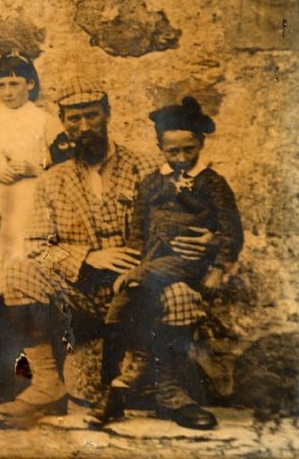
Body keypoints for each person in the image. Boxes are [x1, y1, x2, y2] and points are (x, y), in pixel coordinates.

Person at [0, 78, 217, 430]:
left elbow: (183, 220)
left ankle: (168, 388)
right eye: (74, 119)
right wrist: (85, 257)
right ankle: (47, 384)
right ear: (63, 123)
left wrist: (207, 238)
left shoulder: (147, 170)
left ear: (108, 114)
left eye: (92, 116)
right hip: (79, 297)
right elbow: (37, 247)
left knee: (181, 294)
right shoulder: (54, 179)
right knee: (17, 273)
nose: (84, 127)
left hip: (139, 291)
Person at [89, 96, 243, 428]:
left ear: (201, 143)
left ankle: (131, 388)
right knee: (127, 297)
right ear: (160, 147)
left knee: (142, 283)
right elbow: (137, 232)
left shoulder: (212, 183)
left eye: (189, 150)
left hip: (188, 264)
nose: (182, 158)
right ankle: (119, 384)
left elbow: (232, 230)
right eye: (172, 152)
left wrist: (217, 267)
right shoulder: (150, 183)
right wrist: (131, 266)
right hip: (152, 265)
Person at [0, 52, 62, 410]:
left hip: (31, 207)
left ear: (30, 84)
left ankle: (40, 380)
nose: (8, 91)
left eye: (14, 83)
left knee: (25, 287)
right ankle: (1, 382)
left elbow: (64, 169)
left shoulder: (46, 122)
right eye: (1, 85)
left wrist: (37, 166)